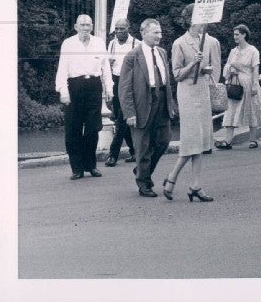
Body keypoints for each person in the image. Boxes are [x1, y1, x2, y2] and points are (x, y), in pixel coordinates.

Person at [165, 7, 222, 202]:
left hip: (203, 93)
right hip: (187, 93)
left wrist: (207, 70)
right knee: (191, 139)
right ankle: (172, 177)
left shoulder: (210, 42)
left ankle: (195, 185)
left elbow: (215, 71)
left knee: (201, 141)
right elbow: (177, 74)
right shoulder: (179, 43)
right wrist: (193, 64)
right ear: (190, 20)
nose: (204, 24)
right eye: (201, 19)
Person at [118, 18, 176, 198]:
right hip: (142, 103)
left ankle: (142, 171)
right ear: (143, 33)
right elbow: (125, 87)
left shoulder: (162, 52)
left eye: (160, 32)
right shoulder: (132, 56)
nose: (159, 35)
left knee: (163, 141)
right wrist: (129, 113)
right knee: (142, 146)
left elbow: (167, 82)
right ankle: (144, 184)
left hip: (161, 103)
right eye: (155, 32)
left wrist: (171, 105)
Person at [55, 14, 112, 180]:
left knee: (93, 128)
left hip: (94, 86)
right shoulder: (68, 43)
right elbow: (62, 69)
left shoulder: (99, 43)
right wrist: (63, 91)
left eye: (88, 25)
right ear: (76, 26)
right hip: (74, 87)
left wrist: (109, 88)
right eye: (82, 25)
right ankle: (77, 168)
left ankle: (91, 165)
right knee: (73, 129)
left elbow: (105, 68)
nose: (85, 28)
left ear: (92, 27)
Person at [214, 24, 261, 149]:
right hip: (234, 83)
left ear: (244, 34)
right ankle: (228, 141)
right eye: (234, 35)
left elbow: (255, 69)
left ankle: (253, 139)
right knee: (231, 110)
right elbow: (227, 66)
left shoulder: (253, 51)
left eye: (237, 34)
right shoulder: (233, 51)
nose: (235, 37)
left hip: (248, 83)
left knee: (252, 109)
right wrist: (230, 69)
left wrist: (255, 84)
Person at [105, 19, 139, 167]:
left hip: (130, 82)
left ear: (128, 28)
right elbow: (107, 64)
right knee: (122, 118)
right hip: (115, 80)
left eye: (122, 29)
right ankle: (134, 151)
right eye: (117, 29)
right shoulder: (112, 43)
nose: (119, 31)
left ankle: (113, 155)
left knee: (121, 119)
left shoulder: (136, 44)